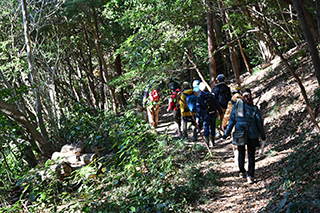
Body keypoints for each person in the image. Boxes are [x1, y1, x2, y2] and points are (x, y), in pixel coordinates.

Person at [223, 91, 266, 184]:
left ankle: (241, 171)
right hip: (253, 135)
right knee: (251, 156)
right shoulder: (254, 109)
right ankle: (250, 175)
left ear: (242, 97)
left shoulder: (236, 107)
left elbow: (231, 122)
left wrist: (226, 134)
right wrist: (263, 135)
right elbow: (260, 124)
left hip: (239, 133)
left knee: (241, 153)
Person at [196, 82, 223, 147]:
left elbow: (198, 109)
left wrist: (197, 118)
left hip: (205, 115)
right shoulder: (212, 96)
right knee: (212, 128)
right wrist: (221, 113)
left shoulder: (200, 98)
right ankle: (213, 143)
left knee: (206, 129)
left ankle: (207, 144)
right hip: (213, 113)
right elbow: (217, 105)